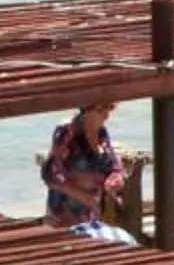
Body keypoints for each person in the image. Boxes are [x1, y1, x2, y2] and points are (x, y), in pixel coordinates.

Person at [40, 100, 132, 237]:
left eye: (110, 109)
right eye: (101, 110)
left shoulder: (101, 132)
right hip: (66, 213)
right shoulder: (67, 131)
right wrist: (83, 196)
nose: (107, 116)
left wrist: (115, 177)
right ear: (86, 109)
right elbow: (50, 173)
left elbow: (113, 163)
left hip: (93, 212)